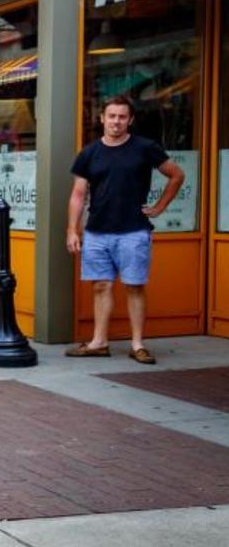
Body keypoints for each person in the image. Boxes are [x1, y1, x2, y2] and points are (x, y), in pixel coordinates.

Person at [65, 94, 185, 364]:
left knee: (134, 286)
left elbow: (177, 175)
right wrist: (72, 230)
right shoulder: (89, 153)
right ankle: (99, 342)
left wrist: (159, 207)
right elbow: (78, 194)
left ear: (130, 120)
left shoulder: (145, 148)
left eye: (122, 117)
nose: (116, 122)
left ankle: (138, 344)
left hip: (134, 230)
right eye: (111, 116)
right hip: (96, 231)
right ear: (102, 119)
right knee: (101, 286)